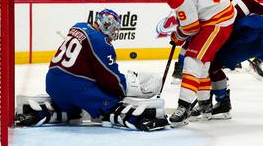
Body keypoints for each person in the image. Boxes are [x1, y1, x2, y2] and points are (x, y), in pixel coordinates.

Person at [15, 9, 169, 131]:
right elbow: (109, 79)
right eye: (114, 29)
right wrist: (124, 88)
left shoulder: (78, 26)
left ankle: (44, 111)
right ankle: (137, 117)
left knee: (72, 108)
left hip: (52, 83)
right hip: (76, 87)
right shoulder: (100, 41)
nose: (114, 34)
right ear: (107, 24)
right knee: (112, 104)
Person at [150, 0, 237, 127]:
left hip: (218, 19)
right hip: (215, 12)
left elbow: (191, 28)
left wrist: (177, 36)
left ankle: (184, 106)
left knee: (192, 59)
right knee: (203, 62)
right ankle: (205, 106)